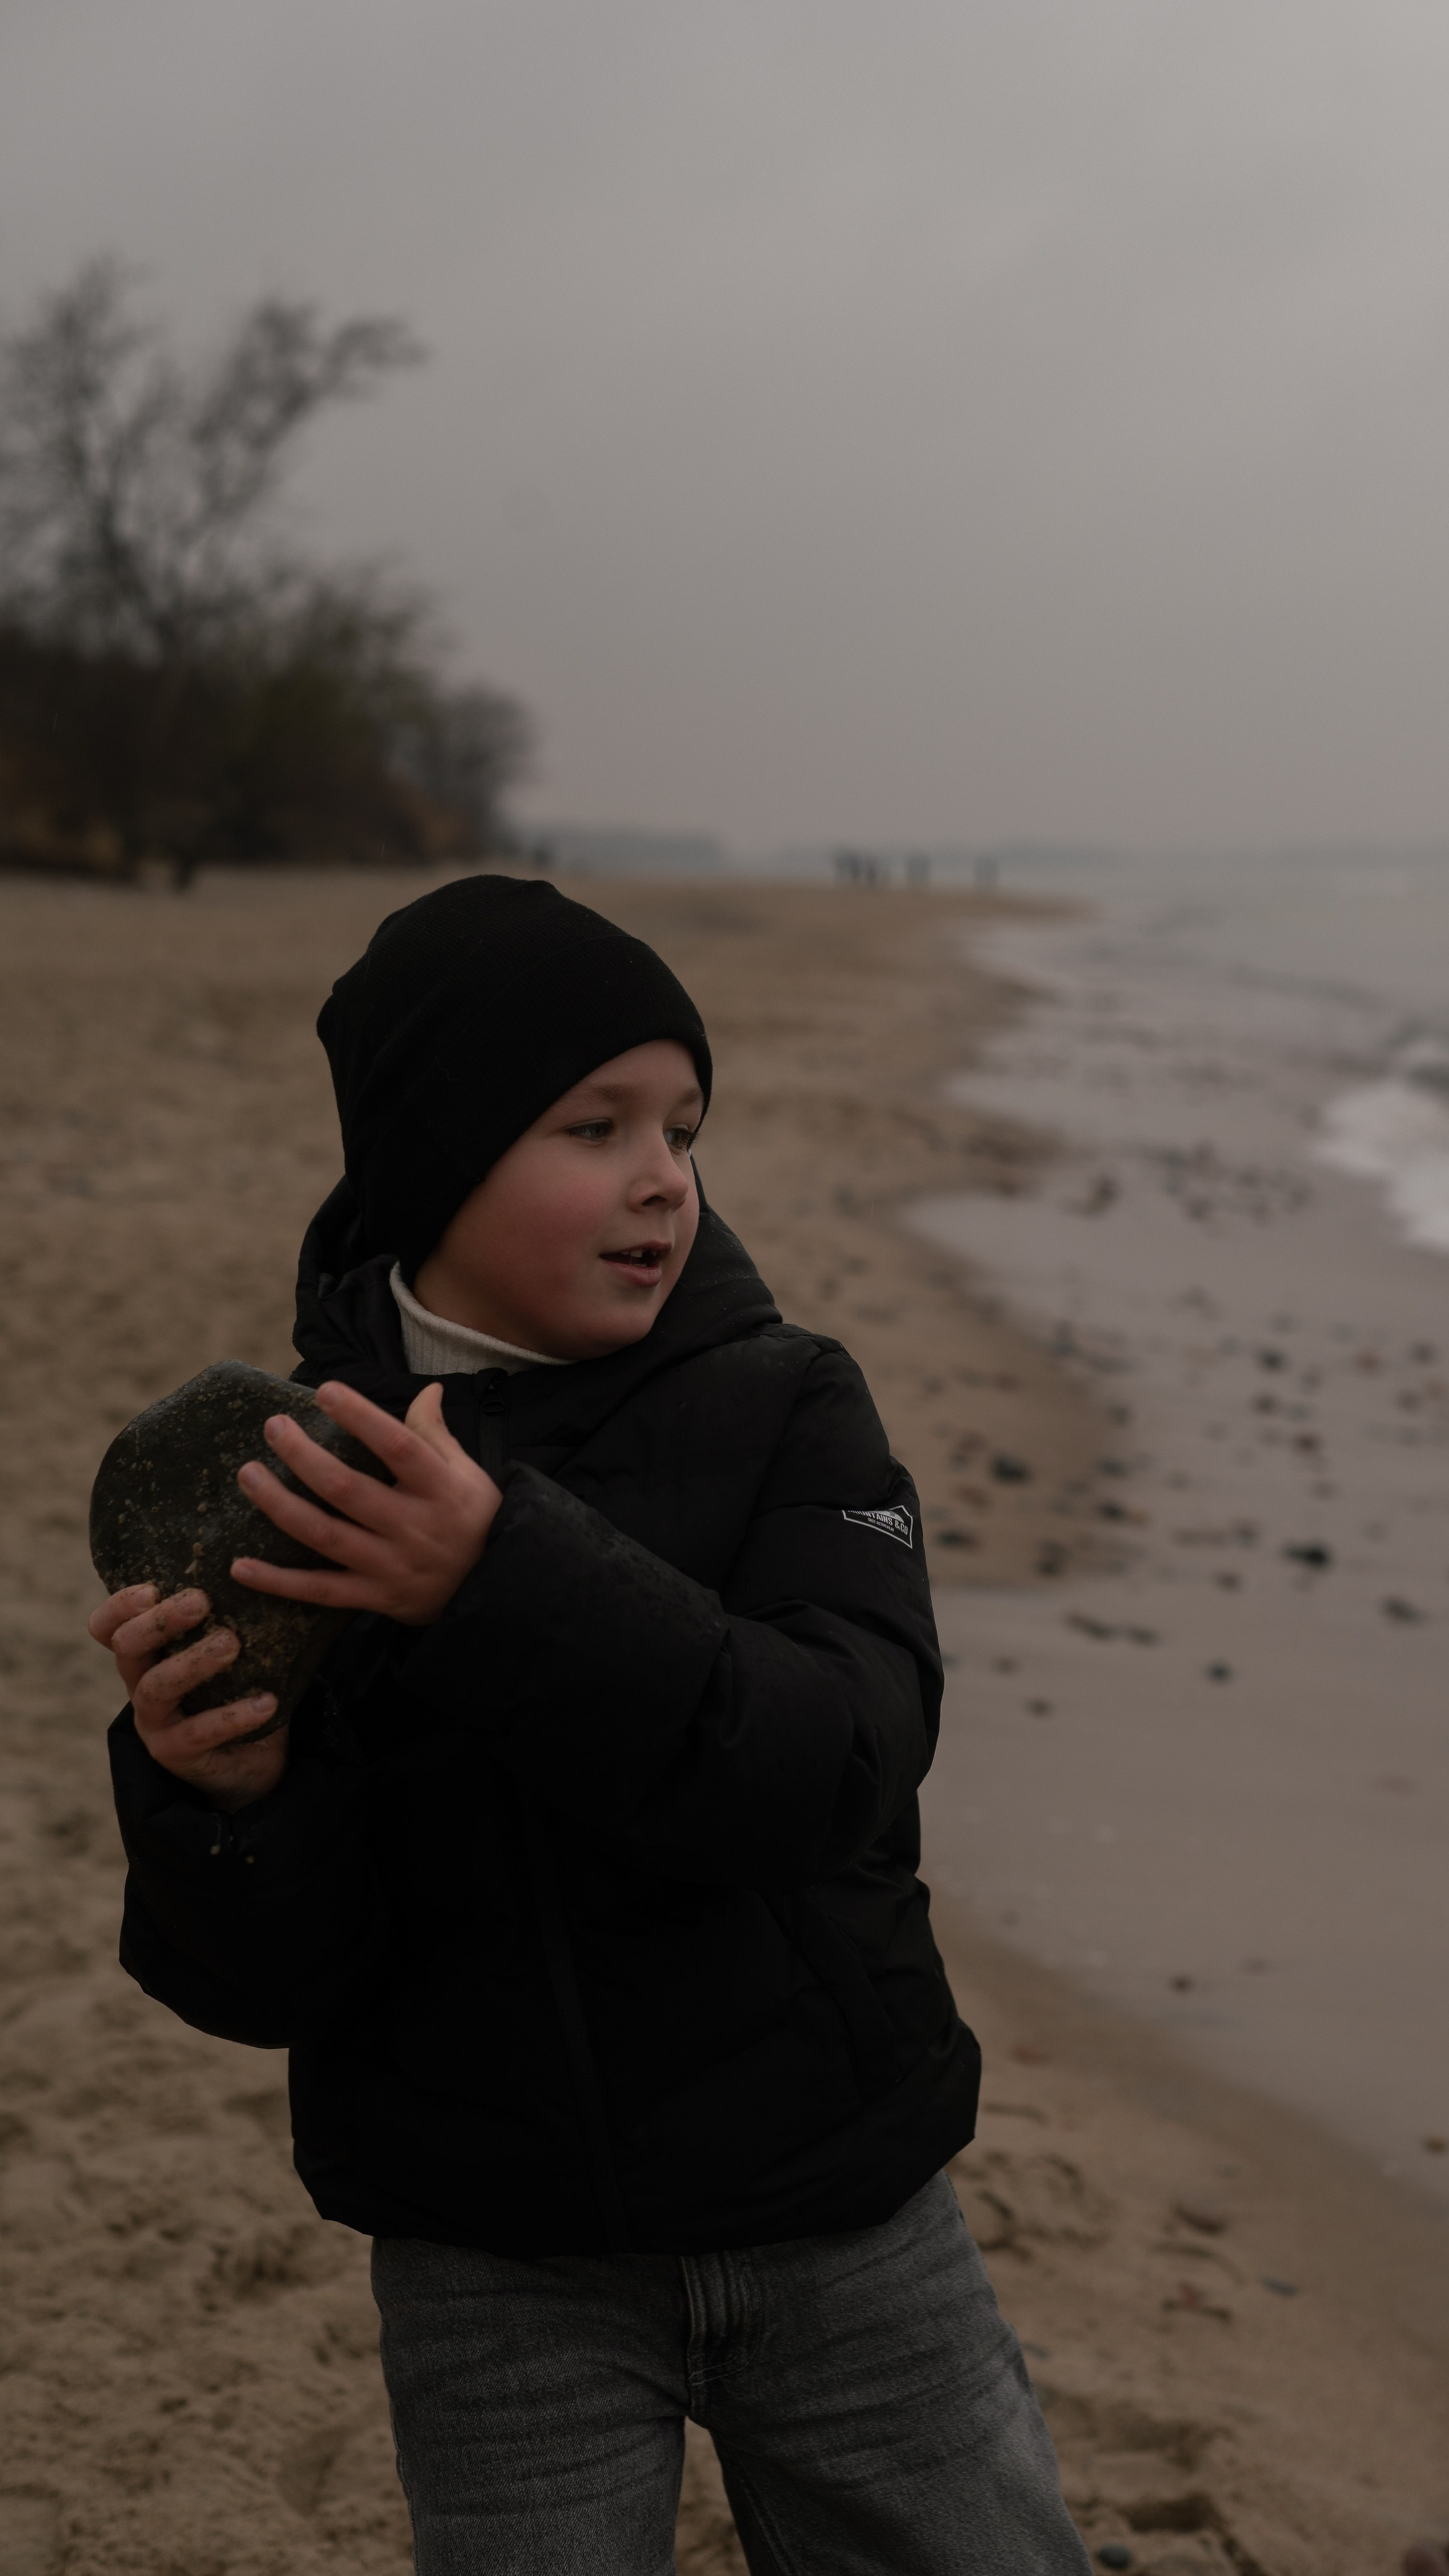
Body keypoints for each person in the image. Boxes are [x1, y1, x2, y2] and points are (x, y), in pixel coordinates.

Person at [91, 876, 1087, 2575]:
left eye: (682, 1128)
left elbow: (833, 1759)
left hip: (838, 2207)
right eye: (594, 1124)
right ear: (435, 1161)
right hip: (495, 2264)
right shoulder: (308, 1479)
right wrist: (225, 1801)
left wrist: (495, 1578)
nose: (662, 1177)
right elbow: (267, 1987)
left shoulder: (789, 1404)